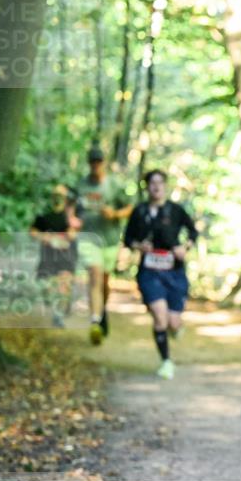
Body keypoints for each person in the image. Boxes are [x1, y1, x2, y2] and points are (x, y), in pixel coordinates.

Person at [123, 170, 198, 380]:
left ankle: (174, 329)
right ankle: (166, 361)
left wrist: (185, 247)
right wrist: (139, 246)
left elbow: (193, 232)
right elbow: (128, 239)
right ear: (147, 187)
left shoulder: (175, 210)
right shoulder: (139, 211)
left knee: (174, 322)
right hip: (149, 272)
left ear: (165, 186)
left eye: (160, 183)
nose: (156, 187)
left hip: (174, 272)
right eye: (152, 183)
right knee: (160, 316)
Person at [75, 145, 132, 345]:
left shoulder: (114, 185)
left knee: (104, 282)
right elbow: (71, 209)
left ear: (104, 163)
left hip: (109, 240)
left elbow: (129, 207)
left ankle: (102, 311)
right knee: (94, 277)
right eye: (93, 161)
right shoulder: (81, 185)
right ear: (89, 163)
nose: (95, 165)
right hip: (88, 239)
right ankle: (95, 322)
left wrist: (115, 214)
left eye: (99, 161)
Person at [29, 184, 80, 327]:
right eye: (56, 194)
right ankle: (55, 304)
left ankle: (58, 315)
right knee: (46, 285)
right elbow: (32, 231)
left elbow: (73, 233)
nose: (58, 198)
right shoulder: (44, 215)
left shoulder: (71, 214)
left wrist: (66, 235)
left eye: (62, 195)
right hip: (48, 256)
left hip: (66, 256)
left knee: (64, 283)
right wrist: (43, 237)